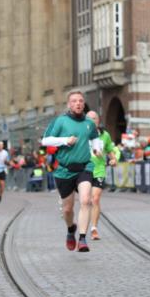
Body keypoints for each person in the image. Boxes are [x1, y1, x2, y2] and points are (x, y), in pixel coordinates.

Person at [41, 90, 100, 252]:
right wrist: (65, 141)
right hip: (65, 170)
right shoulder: (60, 121)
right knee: (67, 209)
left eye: (80, 101)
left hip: (84, 167)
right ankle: (70, 230)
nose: (78, 104)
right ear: (69, 104)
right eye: (74, 101)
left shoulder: (89, 122)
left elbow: (95, 136)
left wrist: (97, 149)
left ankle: (82, 239)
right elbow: (45, 140)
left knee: (86, 201)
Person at [85, 110, 120, 240]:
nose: (92, 121)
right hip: (83, 170)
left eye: (94, 118)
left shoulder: (105, 135)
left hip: (98, 170)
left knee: (95, 199)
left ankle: (94, 228)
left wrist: (114, 160)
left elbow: (110, 151)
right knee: (86, 200)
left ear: (98, 121)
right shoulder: (81, 134)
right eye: (89, 118)